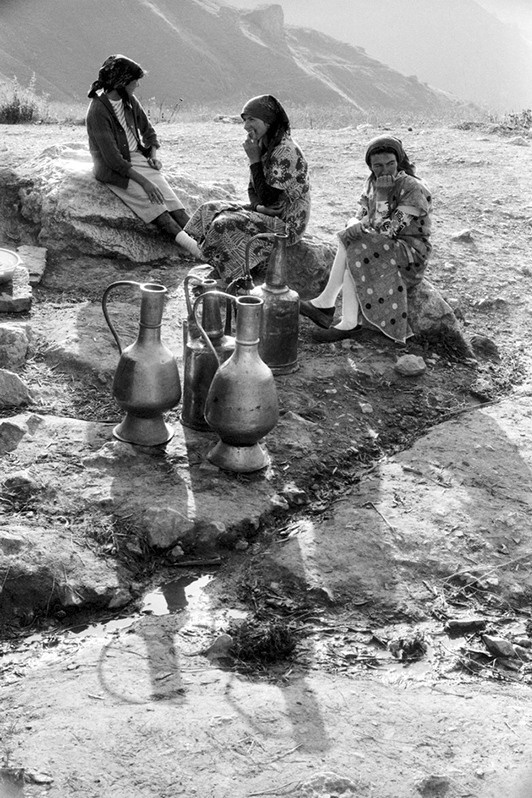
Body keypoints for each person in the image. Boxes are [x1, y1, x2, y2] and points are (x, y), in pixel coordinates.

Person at [300, 135, 433, 344]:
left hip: (409, 253)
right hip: (380, 246)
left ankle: (329, 306)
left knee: (358, 243)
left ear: (399, 161)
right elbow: (360, 214)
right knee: (353, 240)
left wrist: (382, 196)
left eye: (390, 163)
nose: (385, 170)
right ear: (370, 166)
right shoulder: (371, 183)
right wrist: (353, 222)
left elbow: (388, 230)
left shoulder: (412, 188)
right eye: (377, 166)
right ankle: (342, 318)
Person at [184, 94, 311, 285]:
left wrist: (254, 160)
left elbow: (269, 197)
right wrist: (258, 208)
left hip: (287, 224)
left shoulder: (285, 151)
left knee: (224, 224)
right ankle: (221, 266)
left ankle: (235, 279)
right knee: (208, 209)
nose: (245, 126)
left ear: (268, 120)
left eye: (251, 119)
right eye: (245, 120)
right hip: (268, 212)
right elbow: (252, 189)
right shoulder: (265, 144)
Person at [86, 54, 202, 259]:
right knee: (158, 209)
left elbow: (149, 132)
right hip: (114, 171)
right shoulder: (97, 111)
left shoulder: (129, 100)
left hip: (137, 159)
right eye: (134, 81)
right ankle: (198, 251)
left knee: (175, 206)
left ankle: (210, 244)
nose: (137, 85)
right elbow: (112, 160)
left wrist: (153, 154)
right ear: (121, 82)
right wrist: (146, 182)